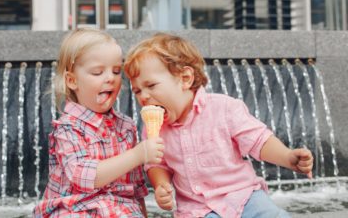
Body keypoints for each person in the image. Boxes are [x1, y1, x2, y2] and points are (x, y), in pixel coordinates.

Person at [123, 33, 314, 218]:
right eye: (137, 90)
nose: (143, 96)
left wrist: (287, 157)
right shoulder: (153, 129)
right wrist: (161, 186)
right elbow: (157, 163)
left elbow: (258, 141)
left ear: (185, 78)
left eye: (151, 86)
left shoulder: (224, 108)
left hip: (243, 197)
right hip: (196, 209)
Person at [33, 28, 164, 218]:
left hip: (120, 209)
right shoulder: (68, 128)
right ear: (72, 80)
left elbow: (135, 189)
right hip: (74, 207)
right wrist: (138, 154)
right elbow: (82, 176)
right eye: (97, 72)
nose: (110, 78)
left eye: (117, 71)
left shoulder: (126, 127)